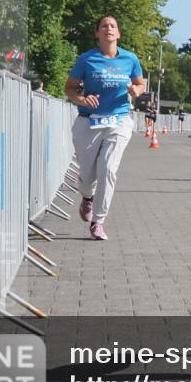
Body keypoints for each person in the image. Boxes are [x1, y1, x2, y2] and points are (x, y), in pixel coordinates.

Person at [63, 16, 145, 240]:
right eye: (104, 26)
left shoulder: (130, 59)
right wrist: (81, 99)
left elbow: (140, 83)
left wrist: (136, 91)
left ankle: (98, 222)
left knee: (108, 169)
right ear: (97, 33)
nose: (108, 28)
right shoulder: (86, 59)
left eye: (113, 26)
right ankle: (87, 197)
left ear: (118, 33)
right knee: (87, 177)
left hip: (119, 121)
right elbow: (69, 88)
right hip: (89, 121)